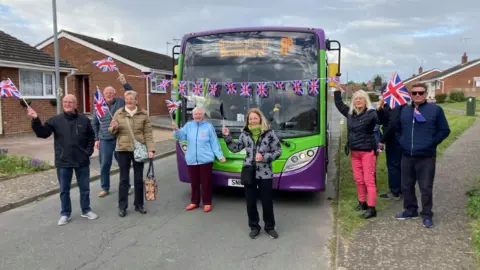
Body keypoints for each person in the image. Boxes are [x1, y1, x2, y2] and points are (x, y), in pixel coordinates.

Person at [27, 94, 98, 226]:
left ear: (75, 104)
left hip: (81, 160)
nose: (67, 104)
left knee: (85, 188)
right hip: (63, 161)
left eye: (70, 102)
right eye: (65, 102)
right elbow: (43, 133)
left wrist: (88, 152)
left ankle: (86, 209)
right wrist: (35, 119)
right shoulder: (55, 120)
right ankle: (65, 213)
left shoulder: (84, 120)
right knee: (64, 189)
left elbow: (91, 137)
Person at [393, 83, 450, 228]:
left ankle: (427, 214)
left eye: (420, 93)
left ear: (426, 94)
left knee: (425, 187)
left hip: (426, 157)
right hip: (407, 155)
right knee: (406, 186)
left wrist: (431, 143)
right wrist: (402, 142)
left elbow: (444, 130)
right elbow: (397, 129)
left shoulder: (435, 110)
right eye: (414, 93)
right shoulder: (405, 110)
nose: (417, 95)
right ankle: (411, 210)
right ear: (410, 95)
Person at [222, 108, 282, 239]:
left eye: (255, 118)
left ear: (260, 118)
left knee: (267, 201)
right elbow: (235, 149)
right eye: (250, 119)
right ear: (247, 121)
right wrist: (227, 137)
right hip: (249, 171)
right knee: (250, 202)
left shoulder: (269, 133)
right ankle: (254, 227)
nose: (253, 120)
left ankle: (269, 227)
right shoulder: (245, 134)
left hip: (265, 173)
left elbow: (278, 151)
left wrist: (264, 157)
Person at [334, 84, 379, 219]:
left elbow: (381, 119)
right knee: (358, 179)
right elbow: (339, 104)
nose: (358, 101)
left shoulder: (372, 114)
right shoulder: (350, 114)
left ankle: (371, 208)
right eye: (356, 99)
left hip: (367, 152)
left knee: (368, 180)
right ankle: (362, 203)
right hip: (355, 152)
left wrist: (383, 108)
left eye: (361, 98)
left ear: (366, 101)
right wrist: (337, 92)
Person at [108, 90, 155, 217]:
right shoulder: (118, 113)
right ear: (125, 100)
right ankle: (122, 206)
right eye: (127, 99)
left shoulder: (144, 114)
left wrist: (150, 149)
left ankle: (139, 205)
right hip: (123, 149)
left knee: (139, 178)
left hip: (139, 149)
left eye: (131, 99)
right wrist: (113, 127)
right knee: (124, 179)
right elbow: (112, 131)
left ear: (136, 100)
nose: (129, 101)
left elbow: (148, 134)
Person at [172, 107, 226, 212]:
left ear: (203, 115)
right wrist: (176, 130)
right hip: (192, 159)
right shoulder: (188, 126)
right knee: (194, 182)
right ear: (192, 115)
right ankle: (194, 202)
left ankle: (207, 203)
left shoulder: (208, 127)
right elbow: (181, 137)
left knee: (206, 182)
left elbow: (214, 143)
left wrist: (220, 156)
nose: (197, 116)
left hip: (205, 160)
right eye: (196, 114)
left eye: (199, 114)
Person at [92, 73, 135, 198]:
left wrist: (124, 83)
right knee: (105, 164)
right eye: (107, 93)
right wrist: (96, 139)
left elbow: (131, 94)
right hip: (105, 139)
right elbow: (94, 123)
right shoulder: (99, 107)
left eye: (111, 93)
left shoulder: (122, 102)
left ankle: (126, 186)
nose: (109, 95)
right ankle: (105, 188)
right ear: (103, 95)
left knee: (123, 164)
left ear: (115, 94)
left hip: (119, 138)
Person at [376, 96, 405, 200]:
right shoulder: (390, 105)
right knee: (399, 165)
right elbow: (382, 121)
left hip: (395, 139)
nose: (382, 96)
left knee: (393, 165)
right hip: (397, 138)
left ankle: (395, 192)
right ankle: (401, 189)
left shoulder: (396, 105)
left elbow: (392, 125)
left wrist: (382, 140)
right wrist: (379, 109)